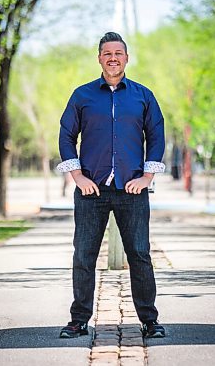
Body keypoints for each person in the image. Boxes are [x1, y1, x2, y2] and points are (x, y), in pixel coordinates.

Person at [57, 32, 166, 339]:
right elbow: (66, 135)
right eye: (107, 53)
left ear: (127, 58)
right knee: (84, 255)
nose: (113, 58)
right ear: (99, 58)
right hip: (92, 190)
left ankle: (149, 320)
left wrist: (146, 177)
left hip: (132, 189)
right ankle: (78, 320)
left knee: (140, 254)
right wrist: (77, 176)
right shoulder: (82, 95)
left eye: (118, 53)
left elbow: (156, 136)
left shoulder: (143, 96)